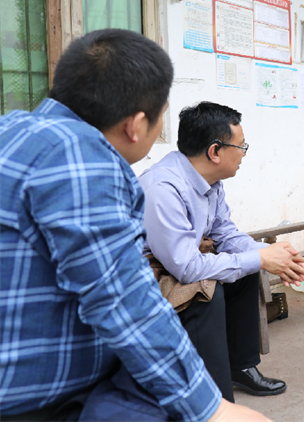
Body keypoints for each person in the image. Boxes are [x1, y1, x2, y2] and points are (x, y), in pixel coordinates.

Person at [0, 29, 268, 422]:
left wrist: (260, 254)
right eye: (162, 116)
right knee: (194, 316)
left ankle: (238, 368)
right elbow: (123, 300)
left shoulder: (13, 129)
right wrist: (211, 409)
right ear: (136, 124)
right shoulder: (83, 158)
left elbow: (224, 230)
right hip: (36, 395)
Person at [138, 101, 304, 403]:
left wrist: (271, 254)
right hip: (144, 275)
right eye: (241, 146)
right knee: (206, 292)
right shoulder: (162, 189)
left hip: (178, 261)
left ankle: (240, 366)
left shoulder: (210, 181)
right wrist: (260, 258)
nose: (244, 153)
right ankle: (216, 401)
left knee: (245, 271)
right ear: (215, 151)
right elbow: (186, 269)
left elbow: (226, 234)